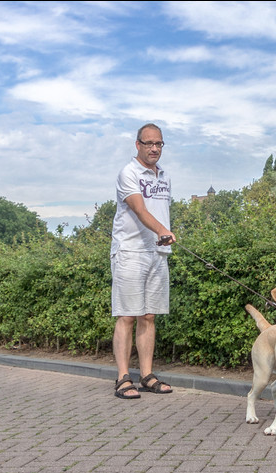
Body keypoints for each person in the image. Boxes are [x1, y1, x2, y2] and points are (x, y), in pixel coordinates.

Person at [110, 123, 175, 399]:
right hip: (131, 252)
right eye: (148, 143)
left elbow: (161, 209)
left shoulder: (165, 177)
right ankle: (123, 378)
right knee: (127, 315)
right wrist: (161, 229)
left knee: (149, 316)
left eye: (158, 144)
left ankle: (146, 375)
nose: (154, 148)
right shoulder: (129, 173)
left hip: (157, 253)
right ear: (137, 145)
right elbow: (139, 208)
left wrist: (162, 235)